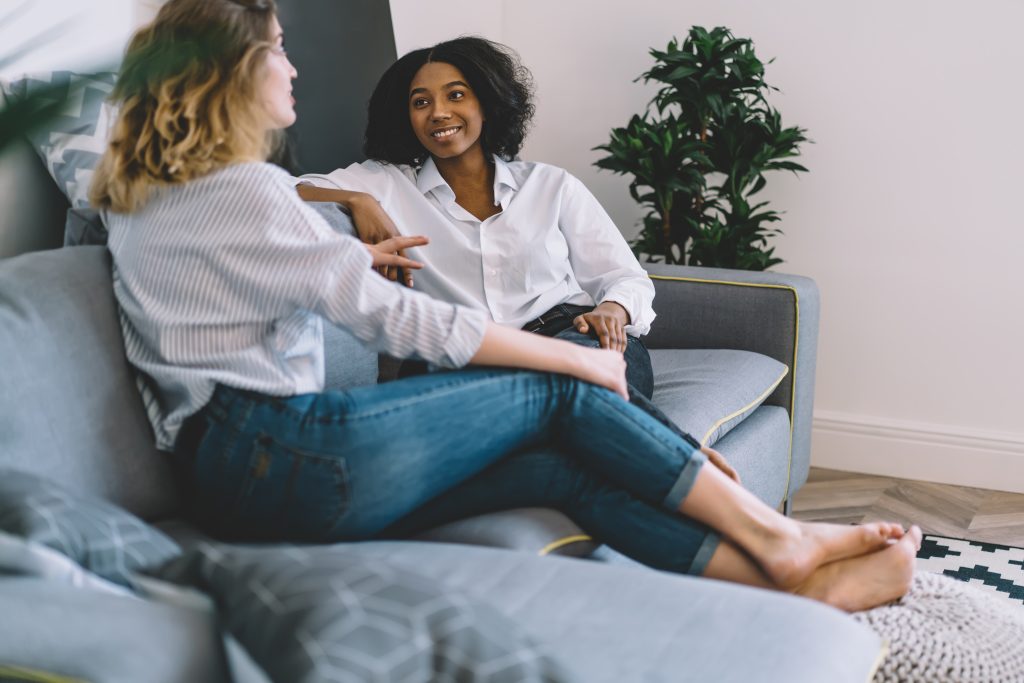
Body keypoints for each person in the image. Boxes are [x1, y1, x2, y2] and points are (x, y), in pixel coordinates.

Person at [91, 0, 920, 613]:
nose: (293, 67)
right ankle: (781, 538)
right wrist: (577, 360)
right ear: (231, 68)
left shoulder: (138, 195)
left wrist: (343, 253)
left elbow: (236, 284)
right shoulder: (246, 189)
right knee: (563, 392)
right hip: (275, 449)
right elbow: (396, 319)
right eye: (277, 49)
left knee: (563, 471)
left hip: (240, 474)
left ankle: (808, 588)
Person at [298, 37, 658, 399]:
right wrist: (357, 199)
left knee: (598, 370)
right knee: (565, 399)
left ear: (487, 104)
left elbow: (625, 277)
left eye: (456, 95)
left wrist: (614, 308)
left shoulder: (551, 185)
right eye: (421, 102)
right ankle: (663, 447)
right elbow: (274, 190)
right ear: (407, 118)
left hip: (567, 332)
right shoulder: (386, 183)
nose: (438, 112)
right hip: (459, 358)